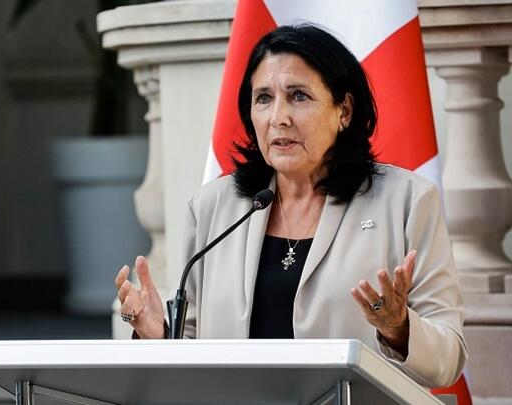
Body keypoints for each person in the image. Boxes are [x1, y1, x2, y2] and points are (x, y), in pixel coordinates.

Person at [114, 24, 467, 388]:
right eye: (264, 98)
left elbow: (448, 360)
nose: (278, 117)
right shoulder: (213, 208)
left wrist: (400, 329)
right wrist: (157, 335)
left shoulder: (407, 201)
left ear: (344, 110)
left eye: (298, 96)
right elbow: (190, 351)